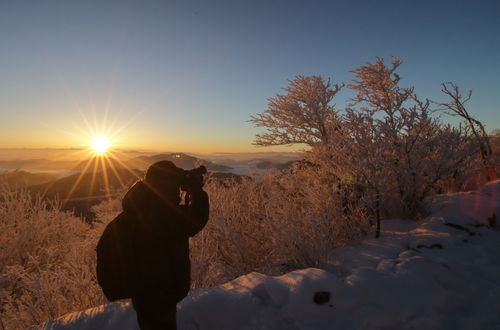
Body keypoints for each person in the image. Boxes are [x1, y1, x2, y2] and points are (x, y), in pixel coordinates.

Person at [122, 160, 209, 330]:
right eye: (174, 183)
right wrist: (196, 191)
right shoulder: (159, 215)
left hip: (146, 292)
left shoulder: (141, 204)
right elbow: (194, 220)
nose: (177, 187)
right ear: (165, 185)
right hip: (159, 293)